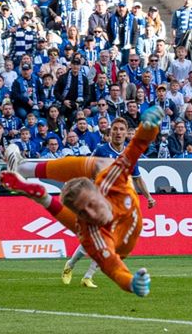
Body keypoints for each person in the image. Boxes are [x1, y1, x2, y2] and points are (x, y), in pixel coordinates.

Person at [0, 108, 161, 297]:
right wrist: (132, 284)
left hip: (111, 192)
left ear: (96, 193)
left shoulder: (113, 180)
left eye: (91, 204)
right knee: (89, 239)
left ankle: (25, 168)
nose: (92, 211)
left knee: (103, 166)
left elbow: (137, 146)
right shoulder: (93, 233)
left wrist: (149, 126)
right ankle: (40, 196)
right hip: (117, 238)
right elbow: (115, 270)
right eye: (85, 211)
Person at [59, 115, 157, 288]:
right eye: (115, 130)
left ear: (127, 133)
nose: (118, 133)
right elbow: (87, 170)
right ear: (109, 133)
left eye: (121, 130)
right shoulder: (101, 151)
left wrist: (148, 196)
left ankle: (88, 276)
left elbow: (138, 178)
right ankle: (70, 265)